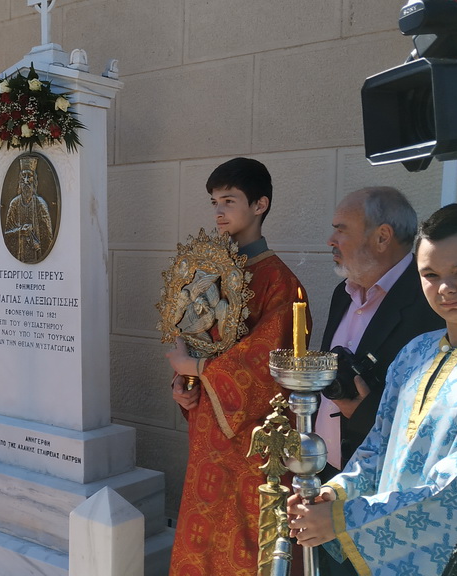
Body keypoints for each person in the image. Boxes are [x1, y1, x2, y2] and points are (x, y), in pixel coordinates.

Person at [287, 203, 457, 575]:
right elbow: (378, 446)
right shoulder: (418, 351)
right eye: (430, 274)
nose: (446, 288)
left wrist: (343, 520)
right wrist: (336, 492)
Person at [163, 157, 310, 575]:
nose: (219, 211)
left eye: (229, 200)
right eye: (214, 202)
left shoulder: (282, 283)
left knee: (246, 537)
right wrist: (184, 381)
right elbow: (195, 336)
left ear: (260, 204)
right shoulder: (207, 274)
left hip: (254, 440)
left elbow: (270, 361)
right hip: (208, 426)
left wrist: (199, 367)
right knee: (202, 532)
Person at [316, 187, 444, 479]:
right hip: (324, 469)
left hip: (377, 479)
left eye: (341, 230)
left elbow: (433, 412)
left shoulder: (430, 303)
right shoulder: (343, 294)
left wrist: (365, 413)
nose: (331, 241)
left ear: (382, 237)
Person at [3, 156, 54, 263]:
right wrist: (20, 231)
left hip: (38, 256)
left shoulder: (40, 204)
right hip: (18, 255)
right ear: (19, 181)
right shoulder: (14, 203)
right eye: (23, 176)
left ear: (34, 180)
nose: (26, 181)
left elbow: (48, 238)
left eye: (29, 176)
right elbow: (7, 234)